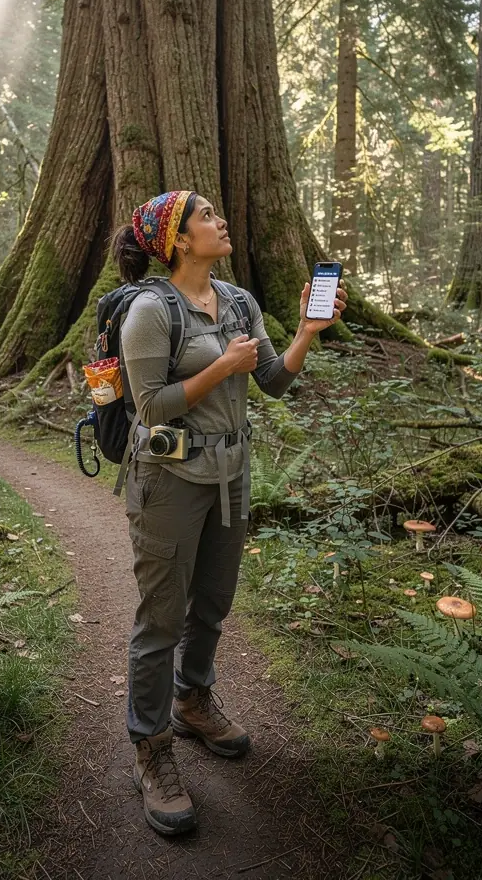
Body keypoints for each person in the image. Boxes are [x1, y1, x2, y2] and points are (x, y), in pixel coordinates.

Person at [111, 189, 346, 836]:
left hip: (231, 476)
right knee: (160, 618)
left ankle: (193, 700)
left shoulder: (240, 302)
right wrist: (222, 368)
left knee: (213, 601)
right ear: (180, 242)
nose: (220, 220)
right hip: (168, 478)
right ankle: (150, 747)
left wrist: (305, 332)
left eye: (218, 210)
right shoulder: (150, 313)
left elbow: (271, 381)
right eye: (207, 216)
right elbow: (151, 405)